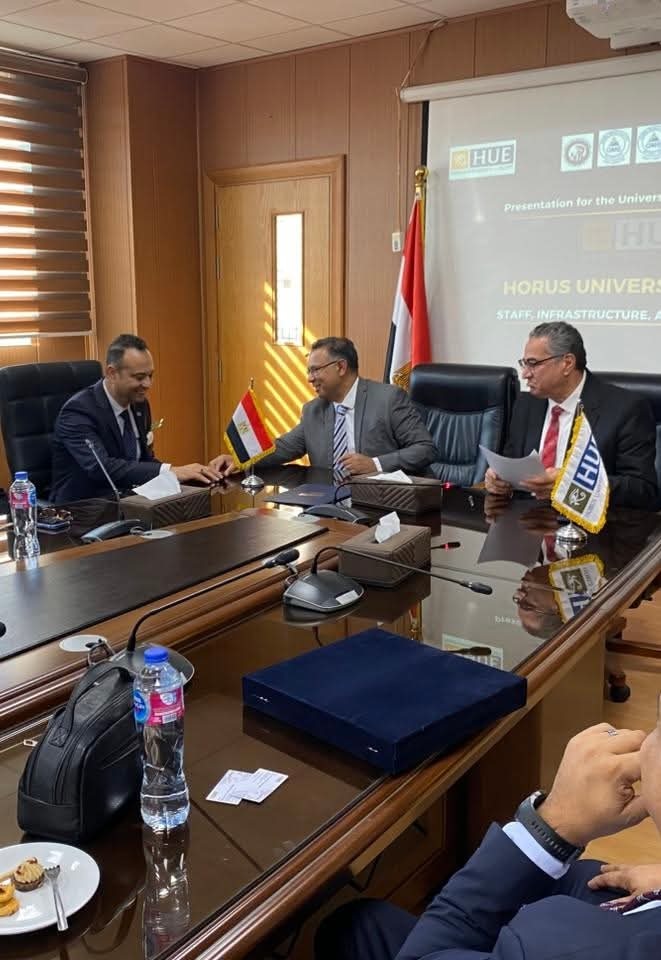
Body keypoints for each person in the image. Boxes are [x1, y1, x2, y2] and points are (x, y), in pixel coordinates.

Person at [315, 719, 661, 960]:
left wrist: (549, 828)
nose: (645, 744)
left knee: (352, 931)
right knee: (360, 925)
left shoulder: (557, 947)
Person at [484, 322, 658, 510]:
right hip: (529, 519)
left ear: (567, 363)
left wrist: (572, 483)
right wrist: (499, 480)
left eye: (533, 364)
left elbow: (642, 490)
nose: (525, 374)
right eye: (524, 364)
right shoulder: (527, 404)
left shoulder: (626, 409)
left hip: (591, 523)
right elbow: (512, 463)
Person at [210, 337, 436, 478]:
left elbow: (425, 449)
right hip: (330, 504)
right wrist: (240, 459)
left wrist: (374, 464)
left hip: (383, 503)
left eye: (315, 370)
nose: (310, 378)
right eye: (309, 371)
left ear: (341, 367)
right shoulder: (313, 410)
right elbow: (281, 448)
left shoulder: (388, 399)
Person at [50, 334, 222, 503]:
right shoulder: (78, 412)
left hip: (131, 500)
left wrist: (180, 477)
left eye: (150, 375)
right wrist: (169, 471)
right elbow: (100, 467)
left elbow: (143, 460)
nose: (148, 384)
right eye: (139, 377)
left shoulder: (139, 404)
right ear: (112, 373)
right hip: (84, 507)